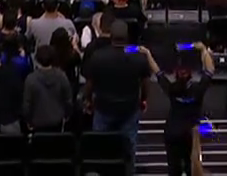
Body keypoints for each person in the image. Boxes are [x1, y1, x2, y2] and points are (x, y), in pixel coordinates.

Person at [83, 20, 152, 153]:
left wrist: (88, 100)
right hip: (129, 107)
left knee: (100, 147)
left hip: (103, 107)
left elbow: (90, 83)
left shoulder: (98, 56)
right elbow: (145, 83)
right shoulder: (138, 57)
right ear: (127, 36)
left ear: (111, 36)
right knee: (128, 146)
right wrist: (143, 99)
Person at [155, 43, 214, 176]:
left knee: (173, 169)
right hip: (190, 134)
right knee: (191, 167)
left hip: (172, 132)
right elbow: (209, 70)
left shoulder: (171, 89)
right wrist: (204, 50)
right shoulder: (197, 89)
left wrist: (147, 54)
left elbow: (158, 73)